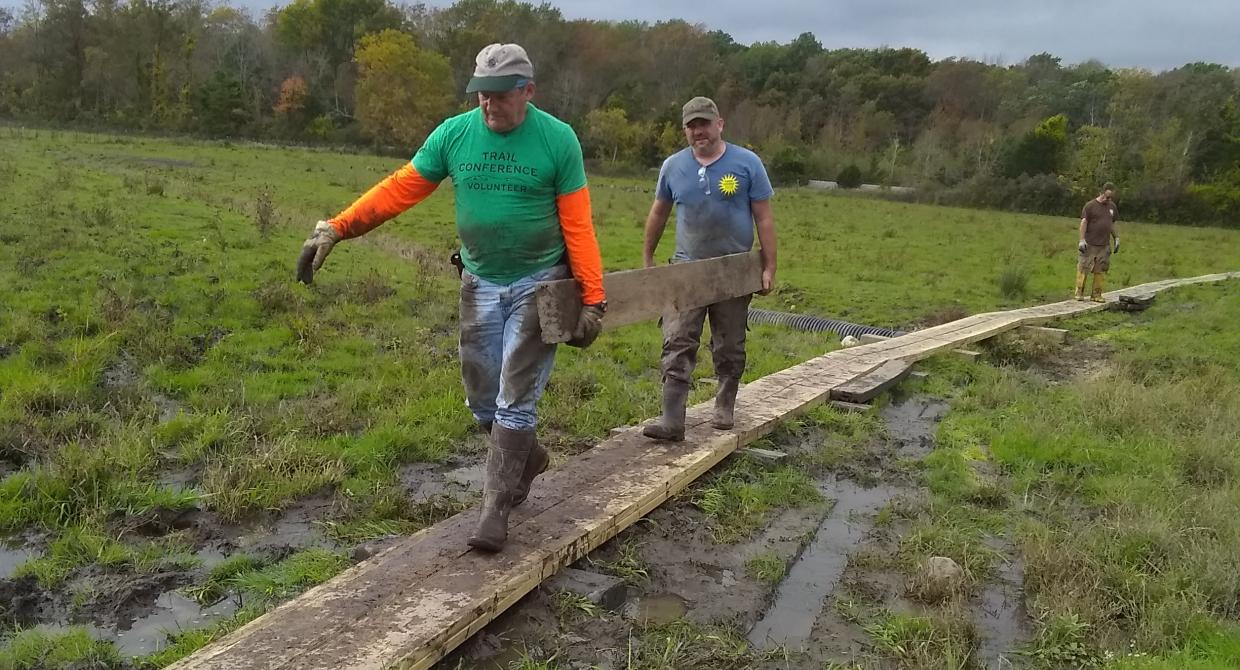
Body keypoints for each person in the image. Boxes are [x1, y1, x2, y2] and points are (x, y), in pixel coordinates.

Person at [296, 43, 607, 552]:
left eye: (501, 96)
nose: (489, 106)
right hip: (480, 280)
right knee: (481, 398)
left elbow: (579, 223)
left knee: (515, 396)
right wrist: (337, 228)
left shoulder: (557, 140)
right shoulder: (454, 134)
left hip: (539, 282)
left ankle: (495, 507)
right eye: (481, 95)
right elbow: (400, 188)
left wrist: (593, 299)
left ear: (527, 91)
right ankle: (527, 458)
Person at [640, 96, 776, 442]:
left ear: (720, 124)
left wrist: (768, 266)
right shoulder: (673, 167)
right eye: (692, 125)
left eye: (704, 123)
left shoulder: (747, 163)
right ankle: (673, 420)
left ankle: (725, 402)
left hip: (734, 269)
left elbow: (763, 216)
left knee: (729, 343)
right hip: (687, 271)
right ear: (685, 129)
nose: (698, 130)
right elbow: (659, 213)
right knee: (677, 340)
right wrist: (649, 261)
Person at [1076, 182, 1120, 302]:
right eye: (1106, 197)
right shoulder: (1090, 206)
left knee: (1100, 270)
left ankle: (1096, 295)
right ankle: (1079, 292)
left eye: (1110, 197)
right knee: (1083, 267)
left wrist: (1116, 238)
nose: (1108, 199)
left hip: (1104, 245)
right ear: (1101, 192)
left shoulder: (1112, 207)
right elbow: (1084, 222)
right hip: (1089, 243)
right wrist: (1081, 239)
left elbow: (1112, 224)